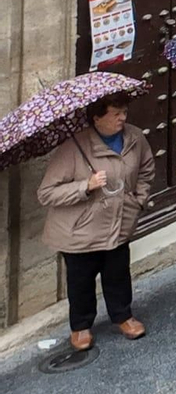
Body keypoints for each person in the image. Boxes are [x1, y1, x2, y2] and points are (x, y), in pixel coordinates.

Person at [37, 92, 155, 351]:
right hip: (80, 232)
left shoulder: (134, 138)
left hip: (119, 223)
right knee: (81, 281)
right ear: (97, 118)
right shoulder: (74, 147)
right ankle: (81, 327)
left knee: (118, 274)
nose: (122, 118)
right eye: (115, 114)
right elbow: (46, 193)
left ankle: (123, 317)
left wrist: (138, 200)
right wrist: (85, 186)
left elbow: (146, 169)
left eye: (124, 112)